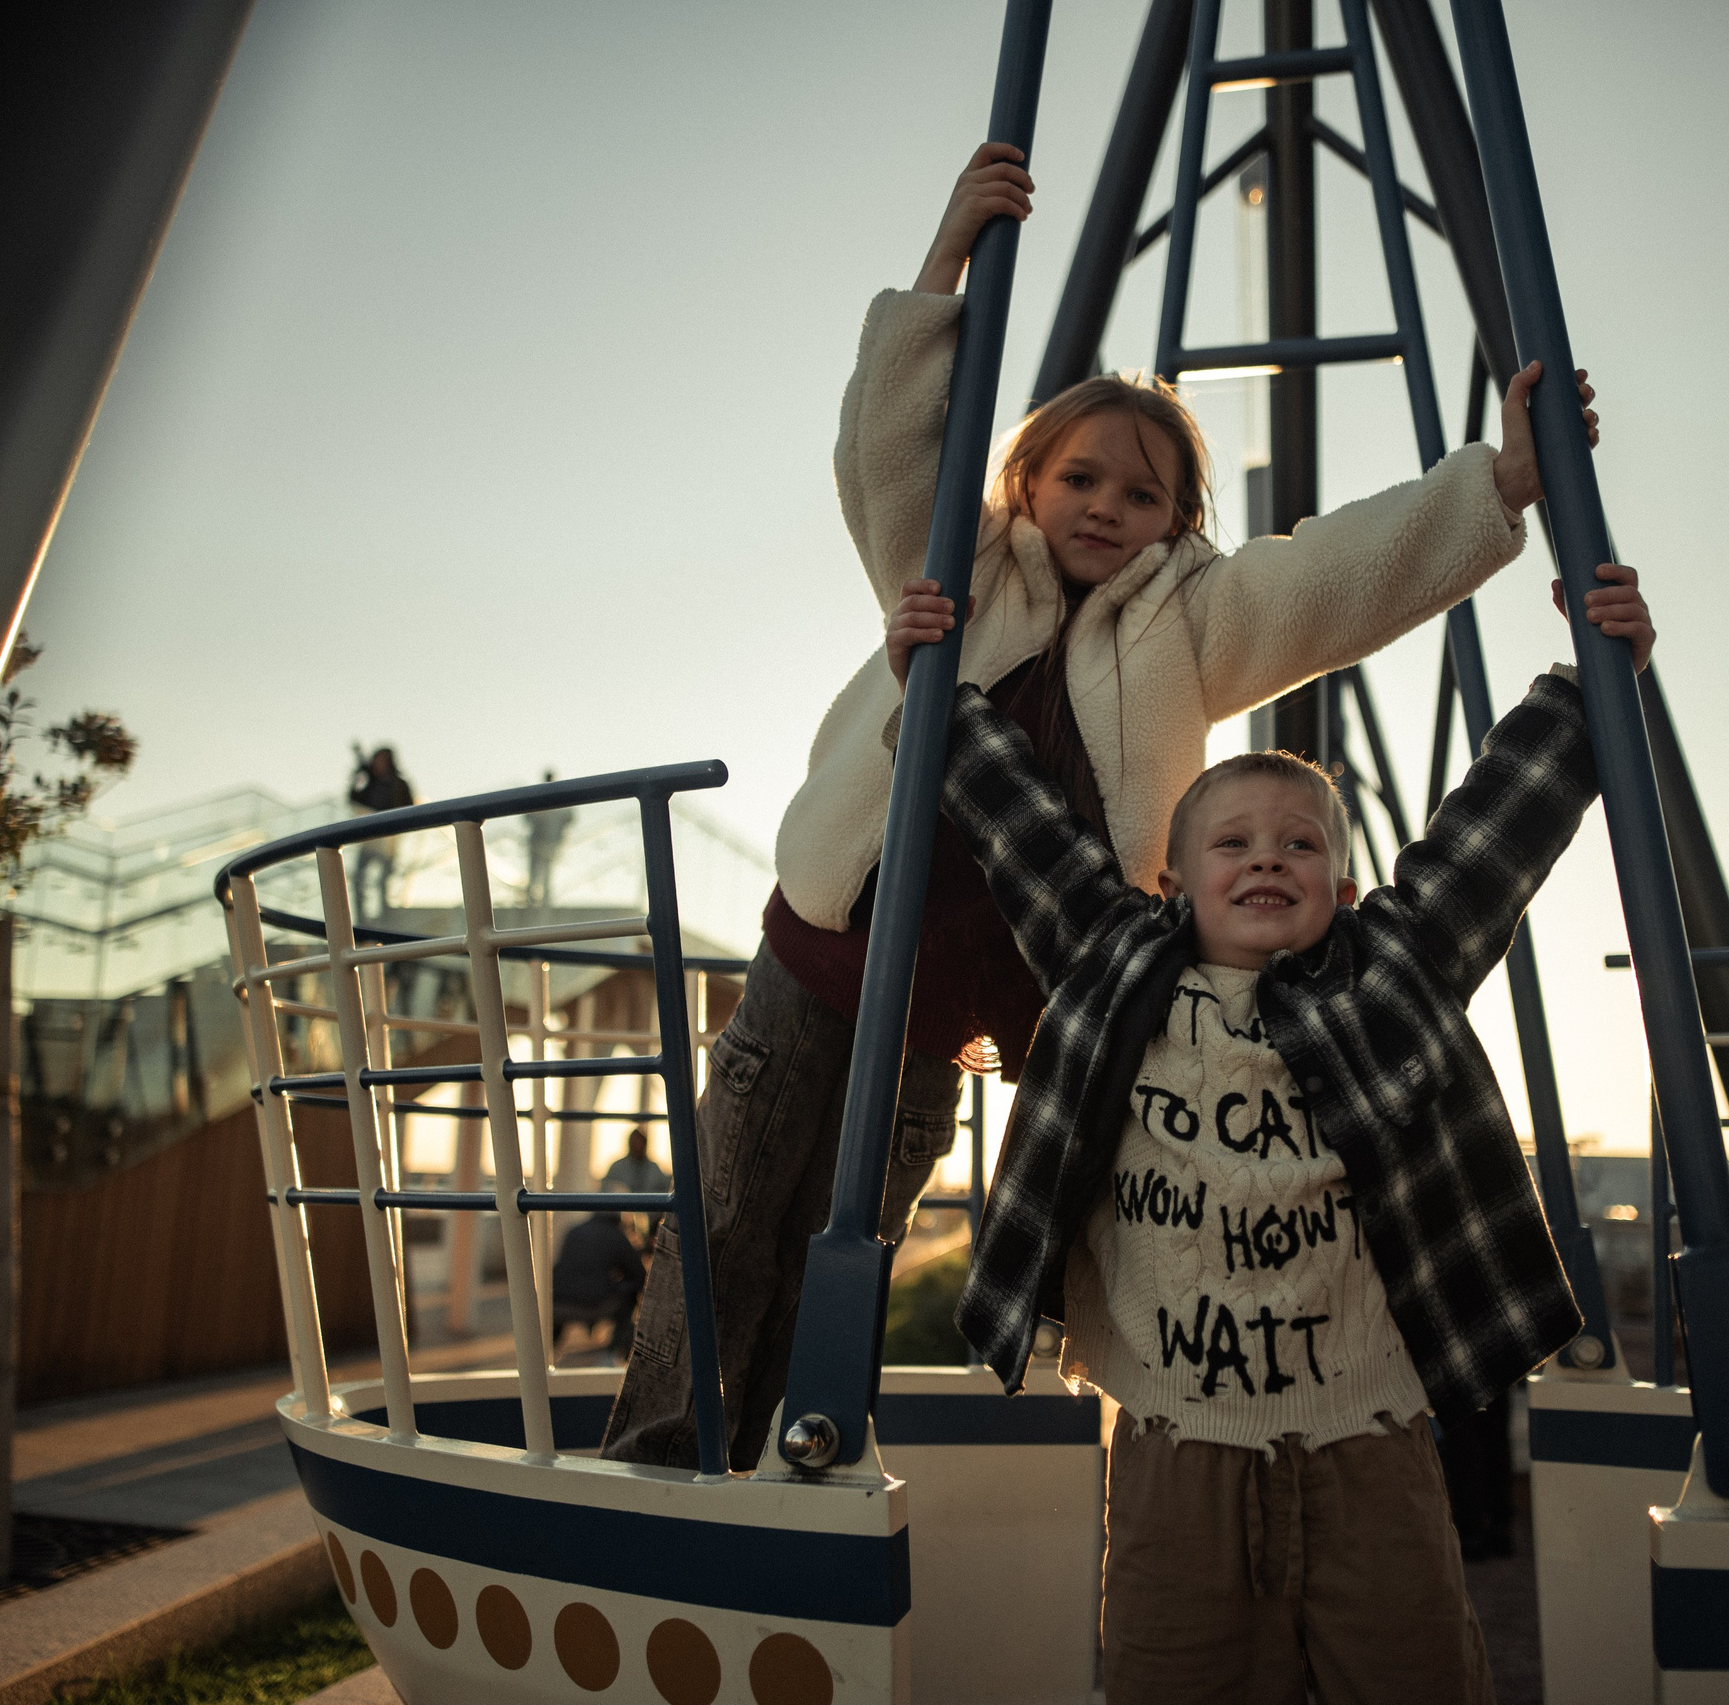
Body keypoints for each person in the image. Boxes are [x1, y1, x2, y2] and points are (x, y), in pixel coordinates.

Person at [600, 139, 1596, 1472]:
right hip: (837, 951)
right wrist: (947, 255)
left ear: (1182, 520)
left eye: (1143, 493)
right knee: (729, 1213)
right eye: (1080, 479)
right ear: (1028, 481)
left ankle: (789, 1454)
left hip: (994, 1001)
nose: (1106, 508)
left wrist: (1501, 484)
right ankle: (662, 1463)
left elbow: (1332, 578)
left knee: (848, 1234)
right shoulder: (957, 560)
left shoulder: (1190, 622)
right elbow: (888, 448)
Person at [932, 565, 1655, 1704]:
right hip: (1176, 1447)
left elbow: (1495, 826)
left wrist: (1594, 679)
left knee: (1415, 1674)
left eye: (1299, 844)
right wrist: (937, 683)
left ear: (1345, 883)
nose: (1266, 857)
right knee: (1174, 1677)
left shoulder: (1390, 968)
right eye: (1231, 843)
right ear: (1171, 881)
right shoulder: (1114, 962)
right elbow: (1021, 824)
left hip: (1370, 1439)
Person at [550, 1211, 646, 1363]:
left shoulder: (575, 1230)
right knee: (629, 1295)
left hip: (558, 1303)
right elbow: (639, 1276)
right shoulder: (616, 1235)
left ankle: (549, 1352)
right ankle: (611, 1354)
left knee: (566, 1287)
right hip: (595, 1304)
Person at [348, 744, 415, 919]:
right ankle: (362, 919)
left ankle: (386, 917)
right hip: (370, 839)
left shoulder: (399, 784)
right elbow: (354, 799)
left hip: (389, 840)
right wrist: (359, 776)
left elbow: (409, 808)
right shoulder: (371, 785)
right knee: (359, 879)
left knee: (384, 881)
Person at [524, 769, 570, 910]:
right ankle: (538, 899)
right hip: (542, 842)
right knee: (540, 871)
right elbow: (568, 818)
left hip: (543, 842)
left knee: (540, 871)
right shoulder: (556, 800)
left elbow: (528, 817)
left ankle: (538, 899)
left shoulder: (539, 798)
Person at [601, 1127, 669, 1198]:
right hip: (623, 1207)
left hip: (648, 1208)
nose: (638, 1146)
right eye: (635, 1142)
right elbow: (605, 1191)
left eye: (640, 1142)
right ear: (630, 1143)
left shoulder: (654, 1169)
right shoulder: (617, 1168)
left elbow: (664, 1192)